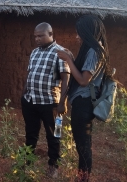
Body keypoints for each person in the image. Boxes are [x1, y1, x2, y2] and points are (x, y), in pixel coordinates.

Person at [57, 15, 111, 182]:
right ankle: (82, 177)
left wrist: (67, 60)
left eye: (79, 33)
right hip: (82, 103)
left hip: (84, 103)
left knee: (83, 145)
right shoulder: (94, 50)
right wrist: (72, 58)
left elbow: (83, 80)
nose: (77, 37)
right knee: (83, 144)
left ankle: (83, 179)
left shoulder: (95, 51)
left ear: (89, 32)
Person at [22, 22, 70, 178]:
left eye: (40, 36)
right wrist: (24, 95)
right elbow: (30, 74)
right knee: (31, 133)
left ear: (51, 34)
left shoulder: (60, 53)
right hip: (31, 101)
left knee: (54, 135)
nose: (37, 39)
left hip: (51, 104)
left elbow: (65, 80)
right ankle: (27, 162)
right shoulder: (35, 52)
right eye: (35, 36)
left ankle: (53, 166)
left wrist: (63, 102)